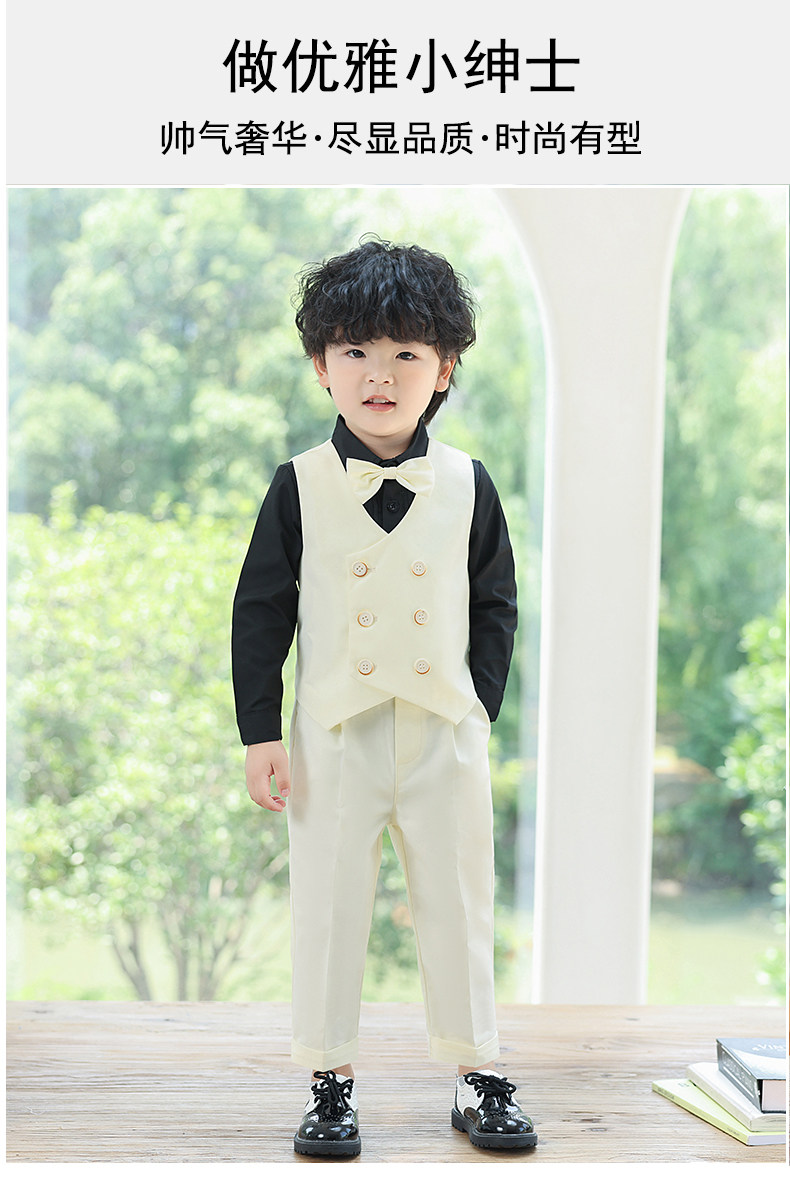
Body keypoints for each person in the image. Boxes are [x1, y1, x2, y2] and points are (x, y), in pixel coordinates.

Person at [232, 238, 537, 1157]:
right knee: (328, 905)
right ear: (320, 365)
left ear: (443, 369)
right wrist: (259, 732)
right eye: (356, 350)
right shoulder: (298, 483)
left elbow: (496, 602)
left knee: (460, 901)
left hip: (444, 730)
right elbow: (260, 609)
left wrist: (478, 704)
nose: (380, 373)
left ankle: (478, 1072)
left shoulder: (470, 482)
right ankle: (330, 1081)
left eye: (407, 352)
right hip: (333, 733)